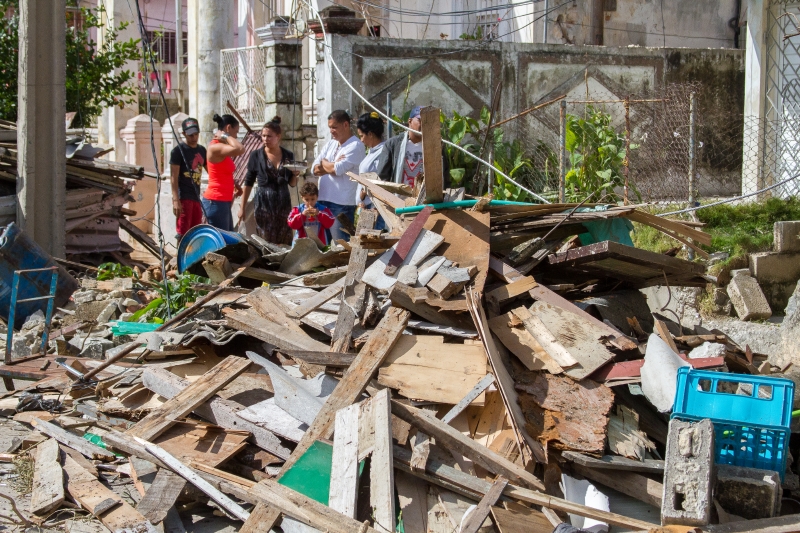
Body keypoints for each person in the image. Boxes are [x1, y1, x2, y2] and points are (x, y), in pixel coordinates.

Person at [238, 117, 299, 244]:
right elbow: (248, 182)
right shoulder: (256, 155)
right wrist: (242, 207)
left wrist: (295, 175)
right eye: (263, 136)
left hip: (283, 203)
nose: (265, 139)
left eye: (269, 136)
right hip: (264, 204)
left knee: (284, 239)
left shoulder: (288, 155)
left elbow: (292, 184)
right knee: (265, 240)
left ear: (278, 137)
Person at [312, 110, 365, 242]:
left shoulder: (355, 145)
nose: (331, 130)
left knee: (341, 245)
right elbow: (314, 169)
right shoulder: (331, 144)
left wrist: (326, 163)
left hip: (342, 204)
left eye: (334, 127)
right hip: (323, 202)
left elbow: (337, 169)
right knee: (322, 244)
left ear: (345, 125)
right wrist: (331, 165)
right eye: (330, 127)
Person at [375, 105, 450, 189]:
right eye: (420, 120)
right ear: (410, 121)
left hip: (424, 200)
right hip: (398, 199)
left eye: (427, 121)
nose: (424, 125)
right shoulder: (393, 144)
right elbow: (383, 176)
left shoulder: (434, 146)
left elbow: (444, 174)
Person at [203, 113, 245, 231]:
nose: (236, 136)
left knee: (227, 242)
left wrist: (234, 184)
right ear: (228, 128)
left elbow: (221, 171)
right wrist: (225, 136)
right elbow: (240, 149)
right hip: (216, 201)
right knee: (222, 246)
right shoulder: (215, 147)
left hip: (223, 201)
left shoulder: (222, 147)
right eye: (235, 132)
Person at [169, 117, 206, 241]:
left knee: (196, 233)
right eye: (190, 135)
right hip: (184, 197)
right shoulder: (178, 151)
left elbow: (211, 170)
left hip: (196, 197)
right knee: (183, 233)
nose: (193, 137)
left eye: (196, 134)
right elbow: (173, 176)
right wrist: (175, 199)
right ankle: (180, 258)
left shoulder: (202, 150)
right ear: (184, 134)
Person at [354, 112, 386, 231]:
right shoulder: (372, 151)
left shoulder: (383, 152)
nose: (361, 140)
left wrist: (363, 194)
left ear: (370, 134)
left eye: (362, 136)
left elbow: (379, 179)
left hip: (375, 209)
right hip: (366, 207)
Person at [287, 181, 336, 247]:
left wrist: (319, 214)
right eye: (307, 200)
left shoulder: (323, 209)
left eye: (313, 199)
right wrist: (302, 215)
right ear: (302, 198)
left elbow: (330, 222)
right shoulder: (297, 209)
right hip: (301, 244)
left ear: (317, 197)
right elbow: (292, 224)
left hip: (319, 243)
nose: (310, 202)